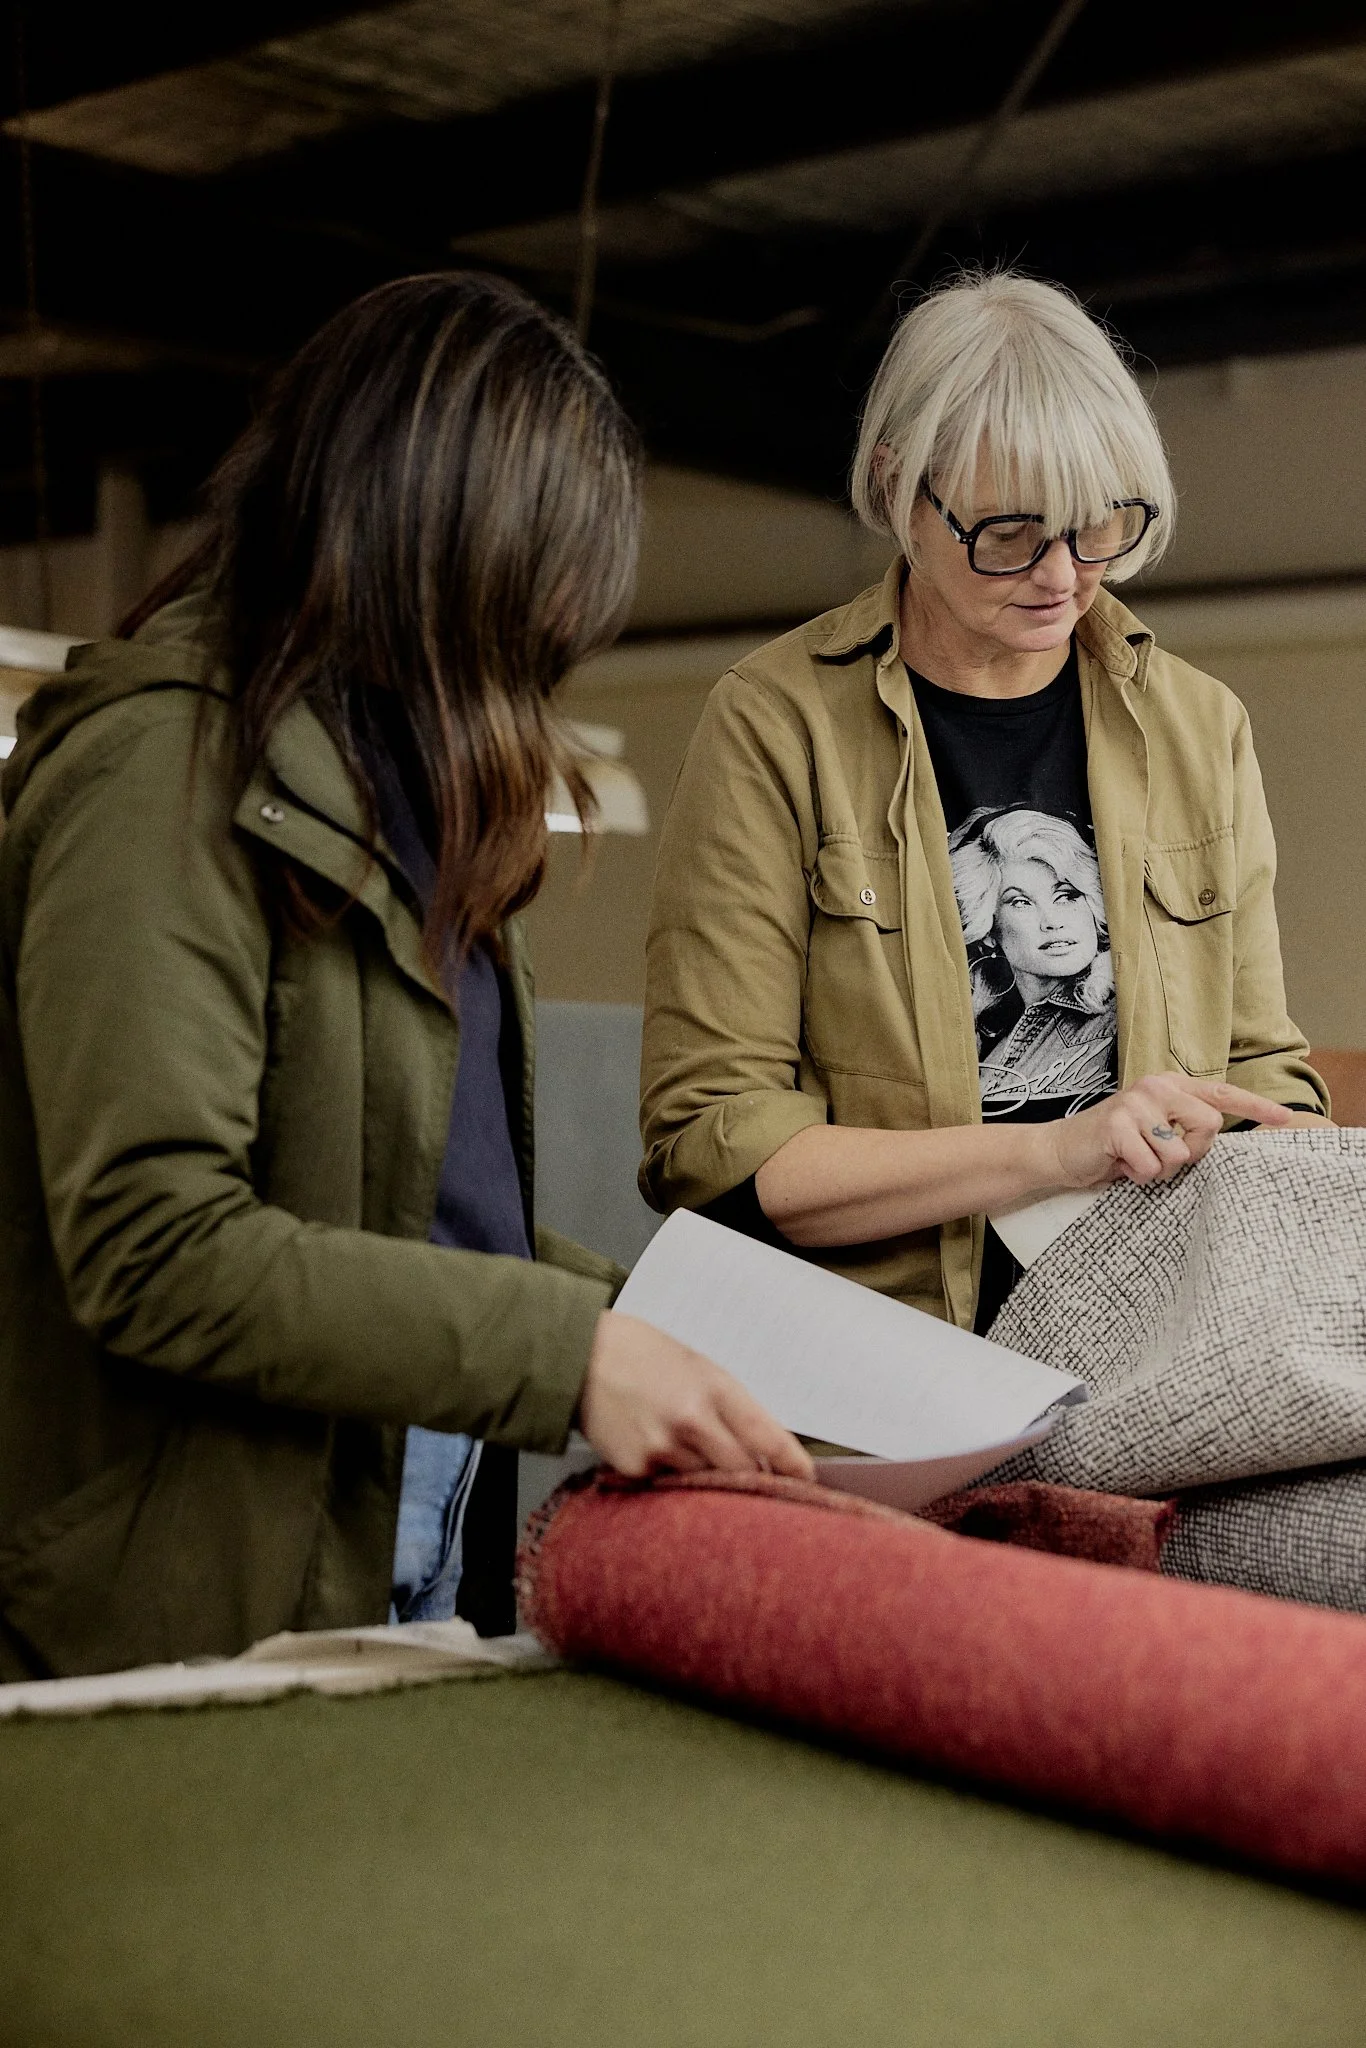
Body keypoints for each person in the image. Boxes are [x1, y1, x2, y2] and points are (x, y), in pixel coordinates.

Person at [0, 271, 810, 1684]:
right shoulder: (161, 770)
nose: (556, 635)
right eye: (540, 587)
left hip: (398, 1522)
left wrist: (658, 1319)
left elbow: (411, 1209)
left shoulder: (395, 782)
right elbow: (151, 1244)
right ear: (436, 532)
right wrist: (572, 1355)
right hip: (182, 1597)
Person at [641, 269, 1328, 1338]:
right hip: (876, 1352)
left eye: (1103, 525)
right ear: (897, 488)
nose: (1062, 574)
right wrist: (1048, 1151)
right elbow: (714, 1141)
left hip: (1148, 1347)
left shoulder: (1200, 725)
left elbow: (1261, 1071)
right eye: (1008, 534)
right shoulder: (777, 723)